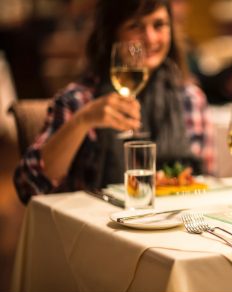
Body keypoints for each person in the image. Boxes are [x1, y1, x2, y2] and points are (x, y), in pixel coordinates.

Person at [14, 0, 214, 205]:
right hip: (92, 229)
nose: (150, 38)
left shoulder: (190, 99)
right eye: (135, 26)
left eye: (159, 25)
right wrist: (84, 120)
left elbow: (206, 183)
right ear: (112, 34)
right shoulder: (78, 100)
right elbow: (28, 184)